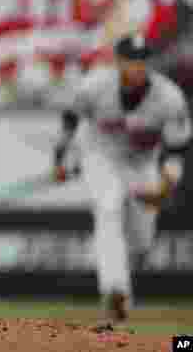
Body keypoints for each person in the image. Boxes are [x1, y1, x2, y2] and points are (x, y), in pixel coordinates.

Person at [52, 34, 191, 322]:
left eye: (142, 60)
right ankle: (116, 293)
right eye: (131, 60)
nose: (137, 66)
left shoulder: (170, 97)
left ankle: (117, 264)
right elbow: (70, 118)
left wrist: (164, 188)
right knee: (108, 209)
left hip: (143, 164)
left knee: (141, 240)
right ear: (118, 62)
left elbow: (177, 149)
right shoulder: (94, 85)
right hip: (100, 157)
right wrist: (61, 158)